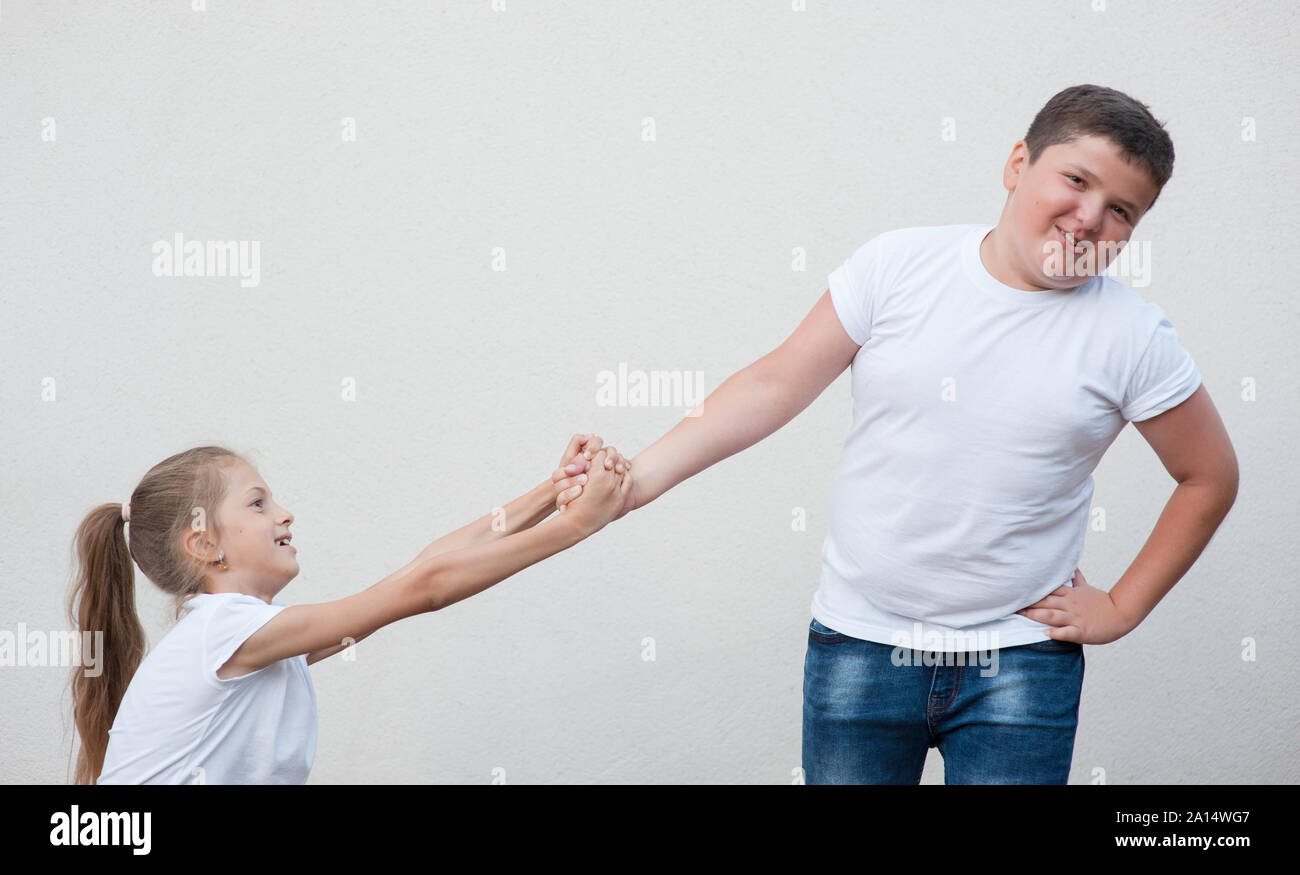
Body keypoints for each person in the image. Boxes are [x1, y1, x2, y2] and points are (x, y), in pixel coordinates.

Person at [551, 84, 1239, 784]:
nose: (1089, 217)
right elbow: (774, 384)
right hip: (861, 646)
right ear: (1017, 163)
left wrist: (1122, 605)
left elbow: (1209, 475)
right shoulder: (899, 268)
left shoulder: (1132, 336)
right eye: (1076, 179)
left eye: (1121, 210)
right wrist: (636, 480)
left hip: (1020, 665)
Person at [68, 436, 630, 784]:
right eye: (258, 503)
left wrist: (549, 492)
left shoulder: (250, 639)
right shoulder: (224, 631)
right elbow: (424, 588)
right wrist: (576, 527)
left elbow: (418, 574)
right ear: (203, 544)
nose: (285, 514)